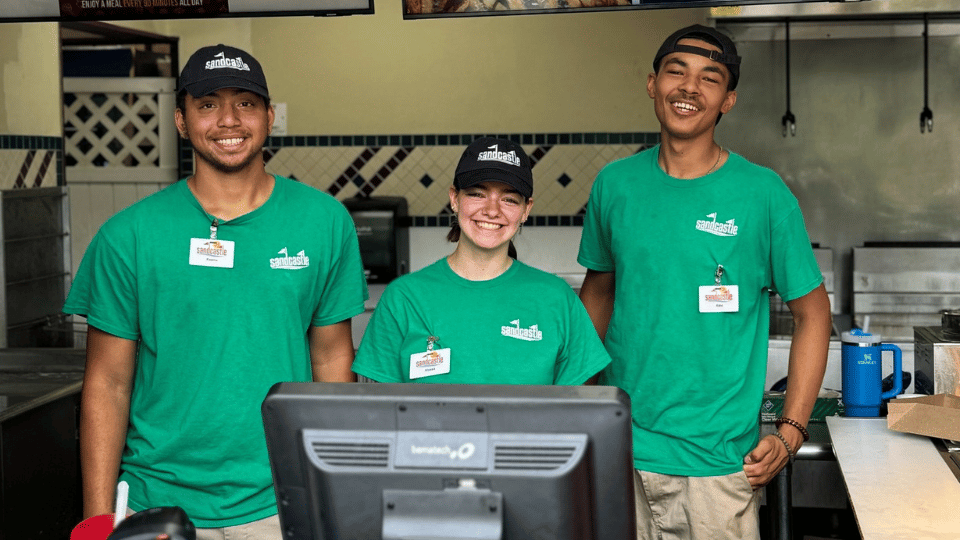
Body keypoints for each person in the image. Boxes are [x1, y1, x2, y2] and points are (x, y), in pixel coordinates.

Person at [63, 44, 368, 539]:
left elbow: (331, 364)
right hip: (154, 502)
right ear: (182, 121)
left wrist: (335, 491)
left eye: (245, 103)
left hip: (280, 501)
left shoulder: (324, 222)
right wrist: (99, 520)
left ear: (269, 117)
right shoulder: (129, 235)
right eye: (207, 105)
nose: (228, 120)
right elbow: (107, 384)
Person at [577, 25, 832, 540]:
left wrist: (790, 430)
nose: (689, 88)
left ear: (728, 100)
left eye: (709, 79)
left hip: (718, 468)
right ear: (653, 84)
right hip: (619, 451)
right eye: (677, 71)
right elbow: (599, 294)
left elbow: (813, 314)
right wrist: (575, 409)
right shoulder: (615, 185)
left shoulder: (763, 194)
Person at [352, 137, 610, 386]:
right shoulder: (404, 298)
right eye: (477, 194)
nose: (492, 210)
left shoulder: (556, 299)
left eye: (509, 199)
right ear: (454, 198)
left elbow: (576, 410)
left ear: (526, 210)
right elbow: (380, 410)